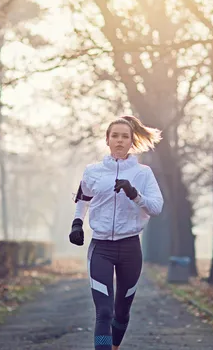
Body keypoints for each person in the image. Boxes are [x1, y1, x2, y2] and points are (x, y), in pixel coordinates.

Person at [68, 115, 164, 350]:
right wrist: (77, 224)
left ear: (132, 141)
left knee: (121, 312)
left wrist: (134, 194)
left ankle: (114, 347)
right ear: (107, 140)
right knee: (103, 311)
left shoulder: (143, 173)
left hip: (130, 248)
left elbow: (156, 207)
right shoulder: (93, 171)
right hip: (101, 248)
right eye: (115, 136)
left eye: (125, 136)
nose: (120, 141)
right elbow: (83, 199)